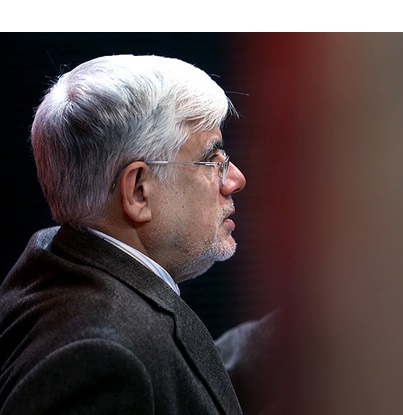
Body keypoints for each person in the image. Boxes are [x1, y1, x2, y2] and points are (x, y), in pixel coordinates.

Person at [0, 55, 247, 414]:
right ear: (138, 191)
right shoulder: (102, 360)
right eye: (212, 159)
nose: (235, 179)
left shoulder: (57, 261)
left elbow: (180, 382)